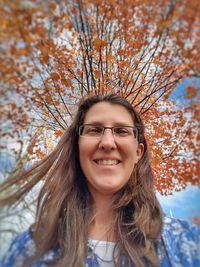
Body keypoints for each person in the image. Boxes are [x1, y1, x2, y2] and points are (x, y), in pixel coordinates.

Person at [0, 94, 199, 267]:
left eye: (121, 131)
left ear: (138, 152)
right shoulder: (30, 247)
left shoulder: (186, 241)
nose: (107, 143)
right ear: (77, 148)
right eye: (94, 130)